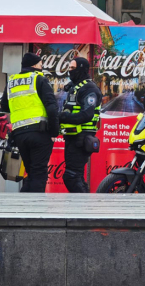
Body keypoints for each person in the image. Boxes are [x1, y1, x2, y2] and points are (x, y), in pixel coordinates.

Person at [1, 53, 59, 192]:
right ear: (34, 65)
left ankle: (24, 204)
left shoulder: (11, 81)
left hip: (20, 134)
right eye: (40, 65)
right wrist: (54, 131)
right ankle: (35, 209)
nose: (41, 67)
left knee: (31, 172)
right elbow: (52, 107)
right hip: (39, 132)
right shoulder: (39, 79)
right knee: (39, 173)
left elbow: (4, 106)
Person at [59, 57, 102, 193]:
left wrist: (63, 117)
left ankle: (84, 208)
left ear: (82, 69)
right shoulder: (77, 87)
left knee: (72, 177)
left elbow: (87, 114)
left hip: (81, 138)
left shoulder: (89, 89)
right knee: (75, 176)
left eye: (73, 68)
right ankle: (81, 207)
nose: (70, 71)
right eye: (69, 68)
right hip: (72, 138)